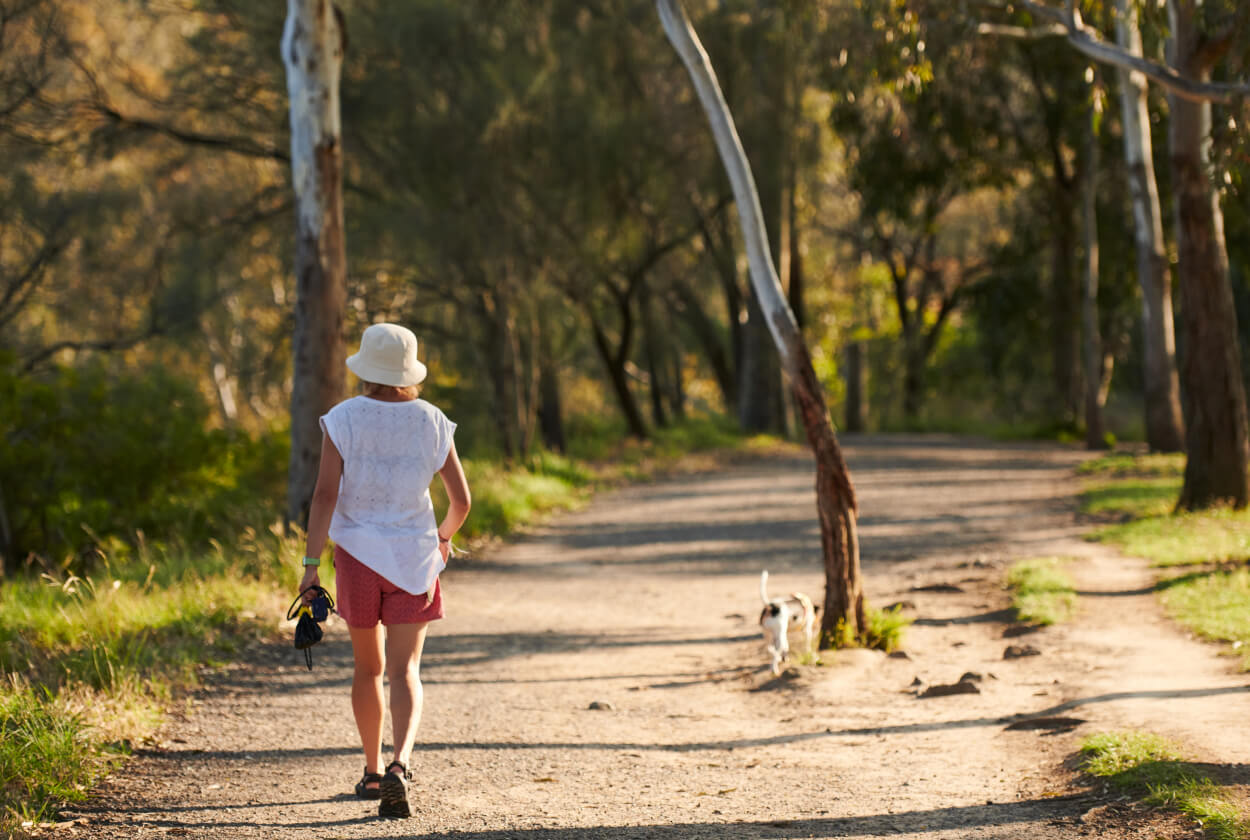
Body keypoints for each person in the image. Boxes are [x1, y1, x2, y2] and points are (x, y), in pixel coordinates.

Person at [298, 322, 471, 819]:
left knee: (368, 669)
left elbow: (326, 495)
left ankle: (371, 773)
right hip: (414, 560)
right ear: (409, 370)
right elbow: (461, 502)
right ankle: (400, 765)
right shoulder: (433, 420)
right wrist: (441, 539)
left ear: (365, 367)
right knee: (405, 671)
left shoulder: (344, 418)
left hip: (356, 557)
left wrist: (311, 567)